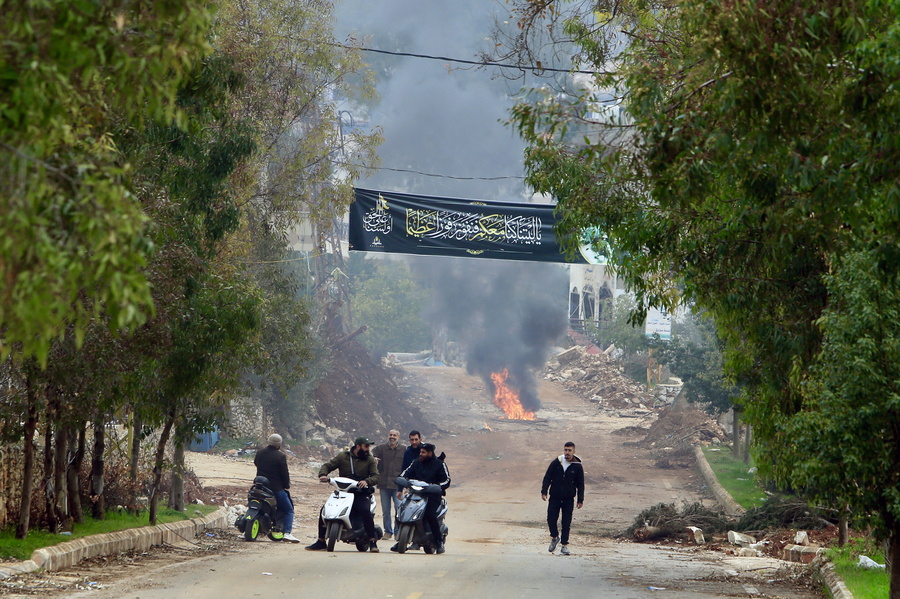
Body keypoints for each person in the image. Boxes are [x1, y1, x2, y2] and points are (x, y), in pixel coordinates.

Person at [305, 436, 381, 552]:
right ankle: (321, 541)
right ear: (357, 446)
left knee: (365, 511)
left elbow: (376, 476)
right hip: (342, 492)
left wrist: (366, 482)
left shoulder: (369, 459)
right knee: (324, 510)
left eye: (368, 447)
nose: (368, 449)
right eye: (366, 446)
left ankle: (372, 541)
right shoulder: (342, 457)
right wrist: (323, 474)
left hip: (360, 493)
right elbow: (328, 465)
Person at [397, 442, 451, 554]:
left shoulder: (439, 464)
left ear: (430, 453)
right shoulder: (416, 462)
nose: (420, 454)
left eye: (423, 452)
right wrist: (402, 480)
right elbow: (405, 473)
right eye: (420, 452)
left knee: (430, 515)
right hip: (415, 494)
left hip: (432, 496)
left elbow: (446, 480)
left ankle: (438, 542)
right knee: (402, 509)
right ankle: (400, 540)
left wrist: (436, 487)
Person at [253, 433, 299, 543]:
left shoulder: (260, 453)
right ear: (279, 444)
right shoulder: (280, 456)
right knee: (289, 510)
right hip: (275, 488)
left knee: (257, 507)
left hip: (259, 486)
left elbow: (256, 463)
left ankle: (247, 530)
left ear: (269, 442)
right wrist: (286, 485)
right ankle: (287, 533)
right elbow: (284, 473)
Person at [541, 441, 584, 556]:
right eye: (565, 450)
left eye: (569, 450)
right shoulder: (557, 462)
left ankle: (564, 545)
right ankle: (555, 537)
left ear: (574, 452)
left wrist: (580, 500)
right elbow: (547, 477)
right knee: (551, 519)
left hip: (568, 499)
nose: (567, 452)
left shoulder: (577, 466)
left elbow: (580, 484)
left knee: (566, 522)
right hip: (554, 497)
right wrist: (544, 491)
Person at [372, 429, 405, 540]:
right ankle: (388, 531)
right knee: (386, 511)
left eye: (394, 435)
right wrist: (374, 459)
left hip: (397, 486)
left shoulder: (403, 450)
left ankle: (397, 531)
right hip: (384, 485)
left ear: (398, 437)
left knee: (398, 508)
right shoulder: (381, 448)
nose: (392, 437)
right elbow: (370, 455)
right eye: (390, 435)